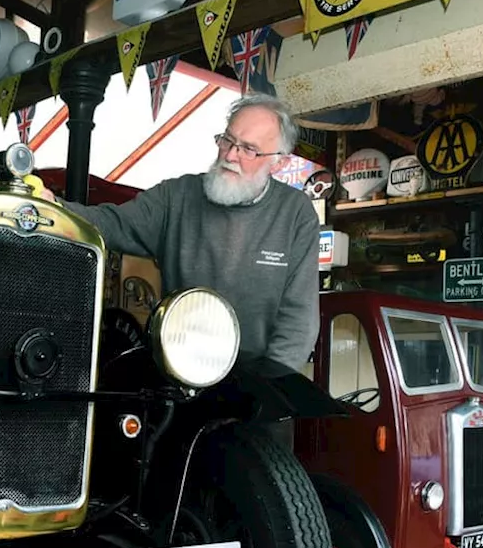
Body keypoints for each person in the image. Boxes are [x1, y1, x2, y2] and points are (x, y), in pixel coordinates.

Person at [40, 92, 322, 375]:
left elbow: (299, 319)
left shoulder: (296, 213)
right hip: (179, 373)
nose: (230, 155)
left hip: (259, 381)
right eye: (227, 140)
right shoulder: (176, 197)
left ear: (280, 162)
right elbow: (112, 223)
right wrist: (53, 209)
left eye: (249, 149)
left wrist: (269, 390)